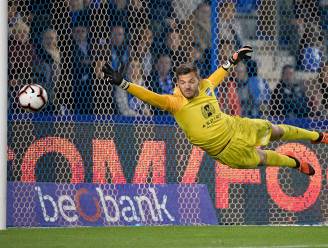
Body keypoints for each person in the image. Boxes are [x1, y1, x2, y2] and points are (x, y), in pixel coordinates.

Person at [102, 45, 328, 176]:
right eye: (183, 83)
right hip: (225, 151)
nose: (188, 86)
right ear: (178, 84)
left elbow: (219, 73)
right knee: (262, 159)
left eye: (191, 81)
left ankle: (316, 136)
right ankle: (295, 163)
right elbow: (149, 96)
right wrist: (124, 84)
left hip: (236, 126)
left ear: (196, 80)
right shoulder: (174, 102)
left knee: (276, 130)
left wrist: (234, 58)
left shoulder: (205, 86)